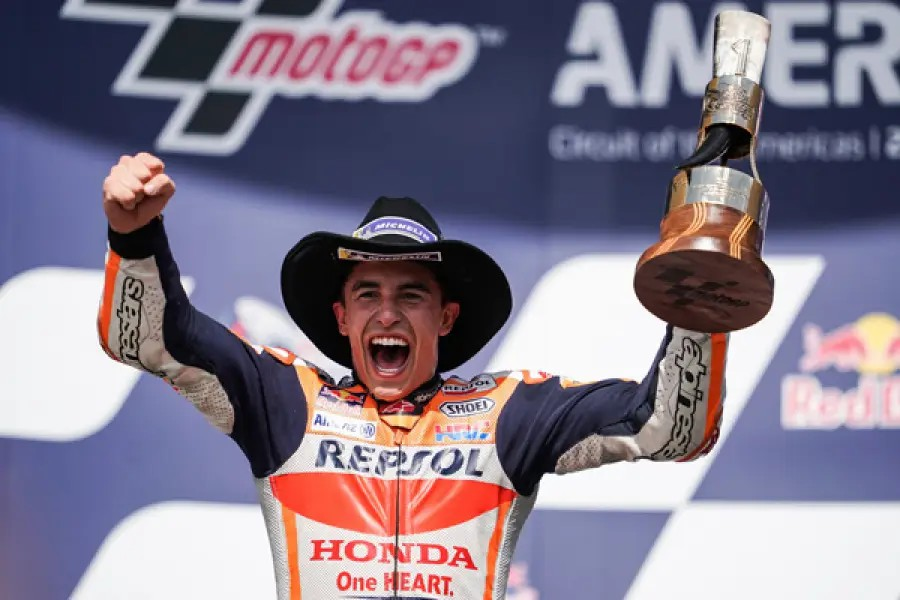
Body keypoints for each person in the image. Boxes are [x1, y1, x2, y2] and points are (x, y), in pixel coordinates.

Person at [99, 152, 728, 600]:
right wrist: (133, 235)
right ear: (342, 317)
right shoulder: (286, 402)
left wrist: (701, 307)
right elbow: (148, 339)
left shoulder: (509, 413)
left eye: (411, 294)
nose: (387, 313)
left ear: (446, 317)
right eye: (367, 294)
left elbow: (669, 427)